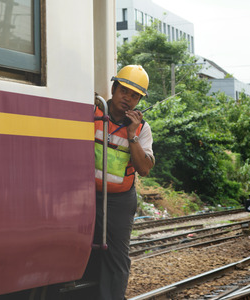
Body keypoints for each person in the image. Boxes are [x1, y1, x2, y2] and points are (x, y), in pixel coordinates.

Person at [93, 65, 155, 299]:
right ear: (113, 89)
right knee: (86, 250)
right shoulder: (94, 113)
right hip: (87, 195)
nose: (128, 98)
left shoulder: (142, 128)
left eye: (135, 95)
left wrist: (132, 135)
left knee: (117, 258)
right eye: (124, 92)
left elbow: (145, 168)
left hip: (119, 200)